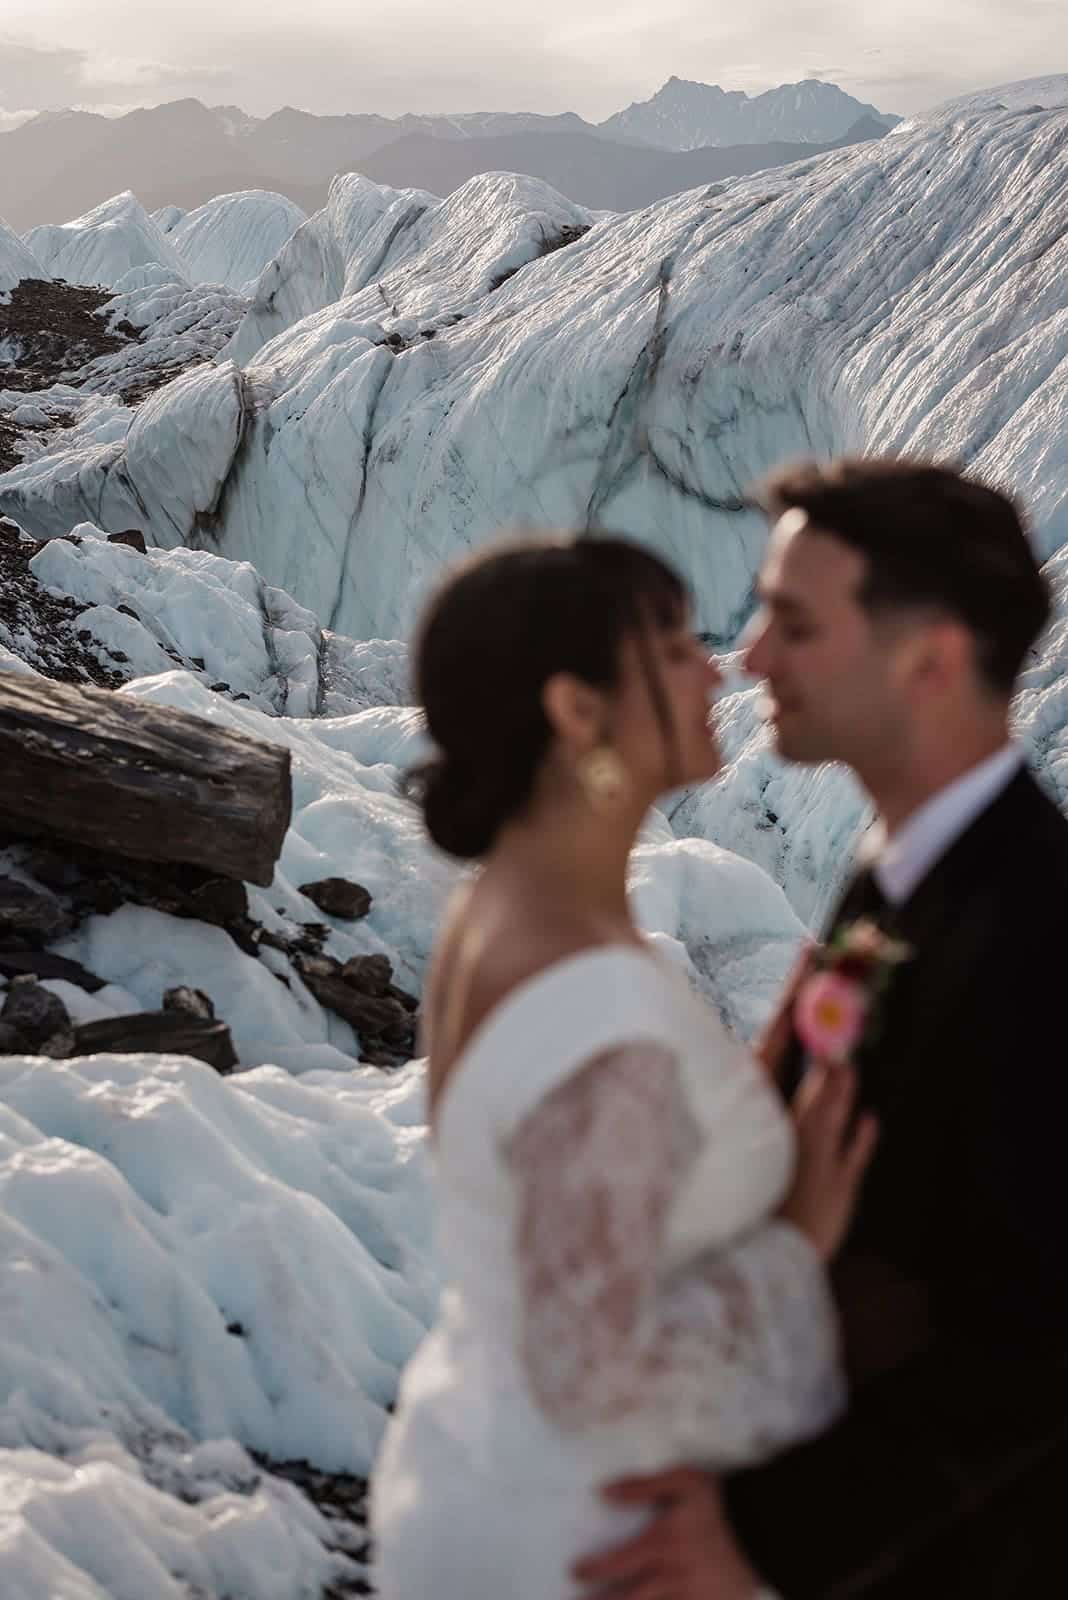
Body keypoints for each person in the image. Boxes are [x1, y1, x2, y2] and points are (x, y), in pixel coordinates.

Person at [574, 459, 1068, 1598]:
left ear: (931, 662)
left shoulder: (1039, 934)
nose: (750, 659)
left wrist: (765, 1536)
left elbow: (1035, 1354)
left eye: (794, 624)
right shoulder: (897, 872)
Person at [370, 533, 876, 1599]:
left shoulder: (507, 909)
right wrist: (795, 1240)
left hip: (484, 1478)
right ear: (575, 710)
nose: (722, 666)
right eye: (674, 643)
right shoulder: (590, 992)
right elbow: (591, 1373)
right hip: (593, 1551)